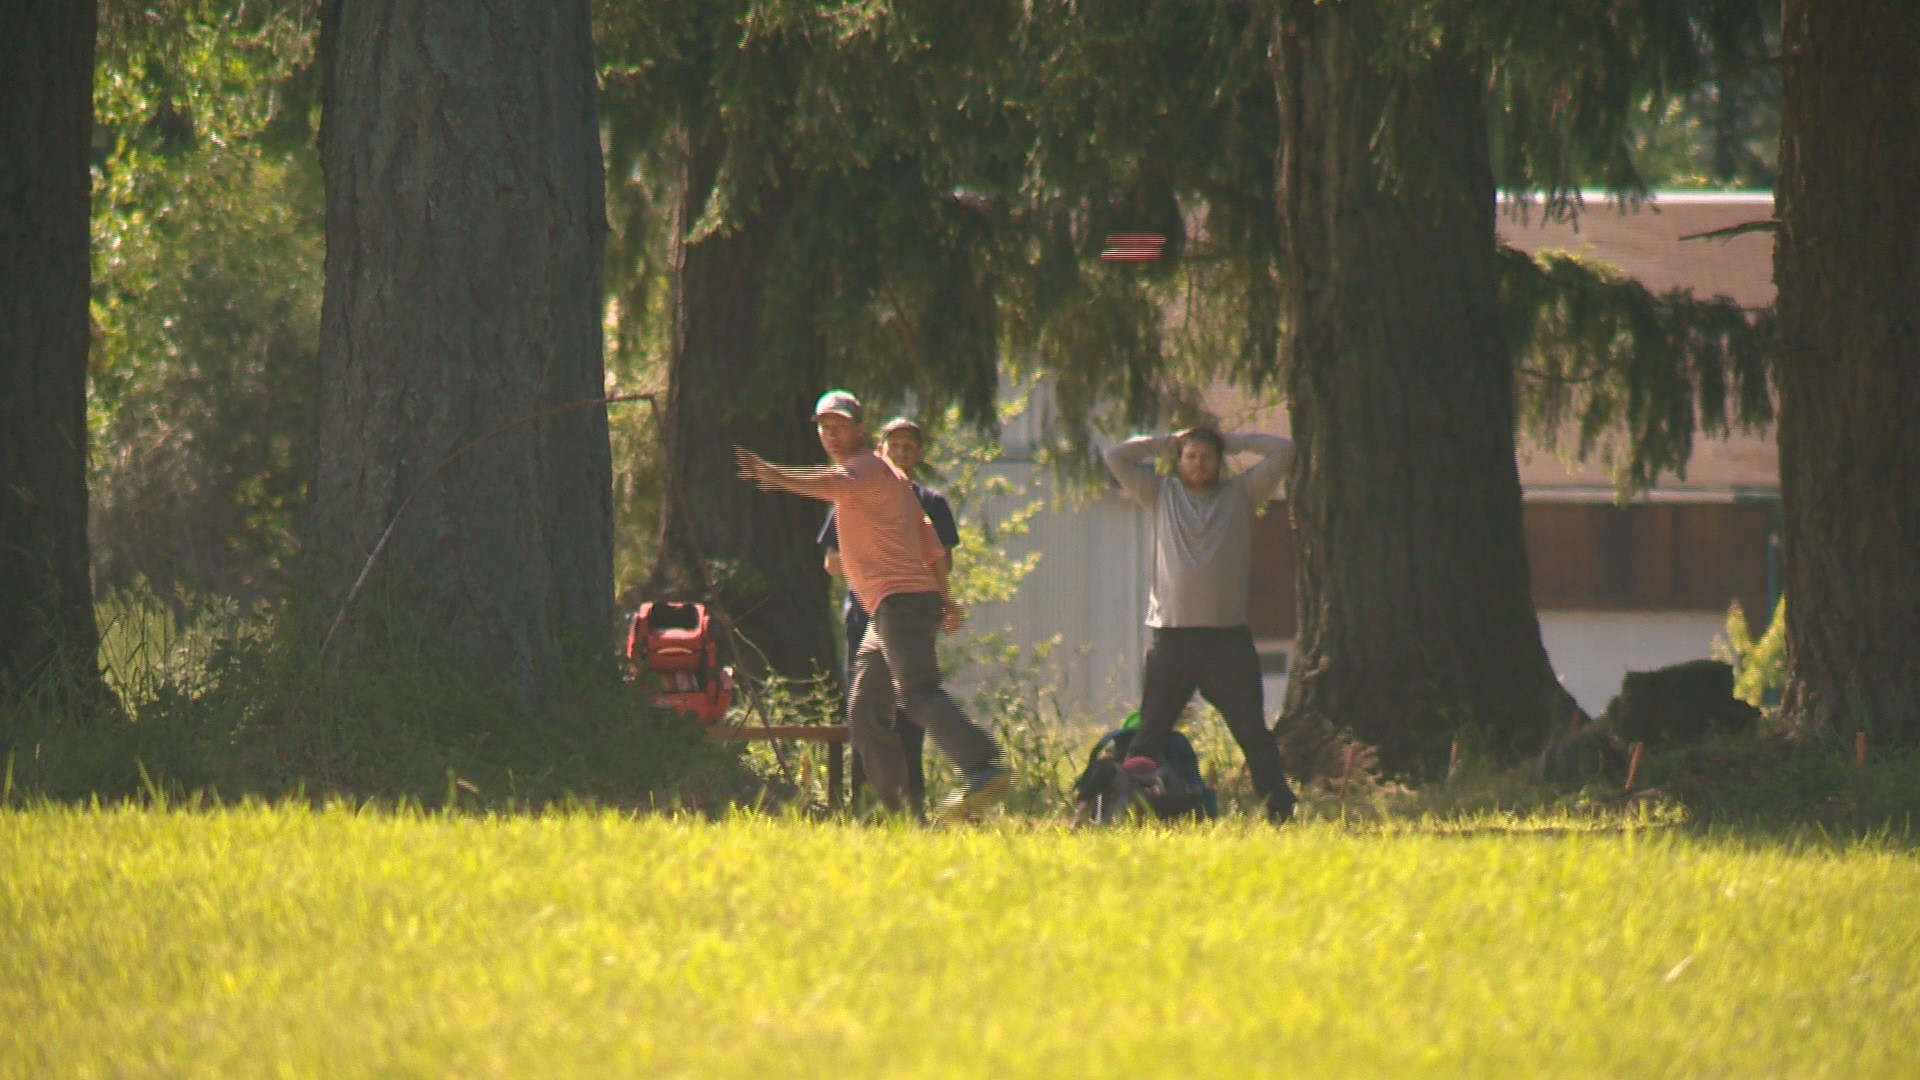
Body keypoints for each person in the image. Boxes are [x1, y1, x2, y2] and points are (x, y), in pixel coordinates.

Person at [736, 390, 1011, 821]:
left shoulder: (863, 470)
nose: (831, 435)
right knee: (865, 712)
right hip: (889, 610)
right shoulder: (893, 478)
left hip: (900, 606)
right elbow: (931, 545)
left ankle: (983, 768)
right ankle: (897, 814)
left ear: (861, 429)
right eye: (825, 428)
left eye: (840, 427)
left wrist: (774, 475)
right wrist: (944, 599)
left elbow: (831, 484)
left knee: (918, 693)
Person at [1103, 425, 1299, 823]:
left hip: (1226, 641)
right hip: (1173, 638)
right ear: (1179, 461)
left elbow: (1284, 451)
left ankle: (1279, 809)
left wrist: (1236, 440)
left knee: (1251, 732)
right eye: (1190, 456)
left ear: (1219, 461)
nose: (1198, 464)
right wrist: (1165, 443)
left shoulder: (1241, 494)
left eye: (1207, 457)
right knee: (1150, 733)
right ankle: (1124, 808)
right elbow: (1115, 456)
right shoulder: (1159, 493)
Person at [818, 416, 961, 812]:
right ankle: (864, 807)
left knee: (908, 711)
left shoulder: (931, 503)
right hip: (864, 614)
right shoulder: (852, 494)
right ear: (880, 448)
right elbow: (831, 562)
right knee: (863, 713)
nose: (900, 452)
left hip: (910, 615)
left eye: (908, 446)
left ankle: (912, 806)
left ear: (919, 454)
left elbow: (941, 562)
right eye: (893, 444)